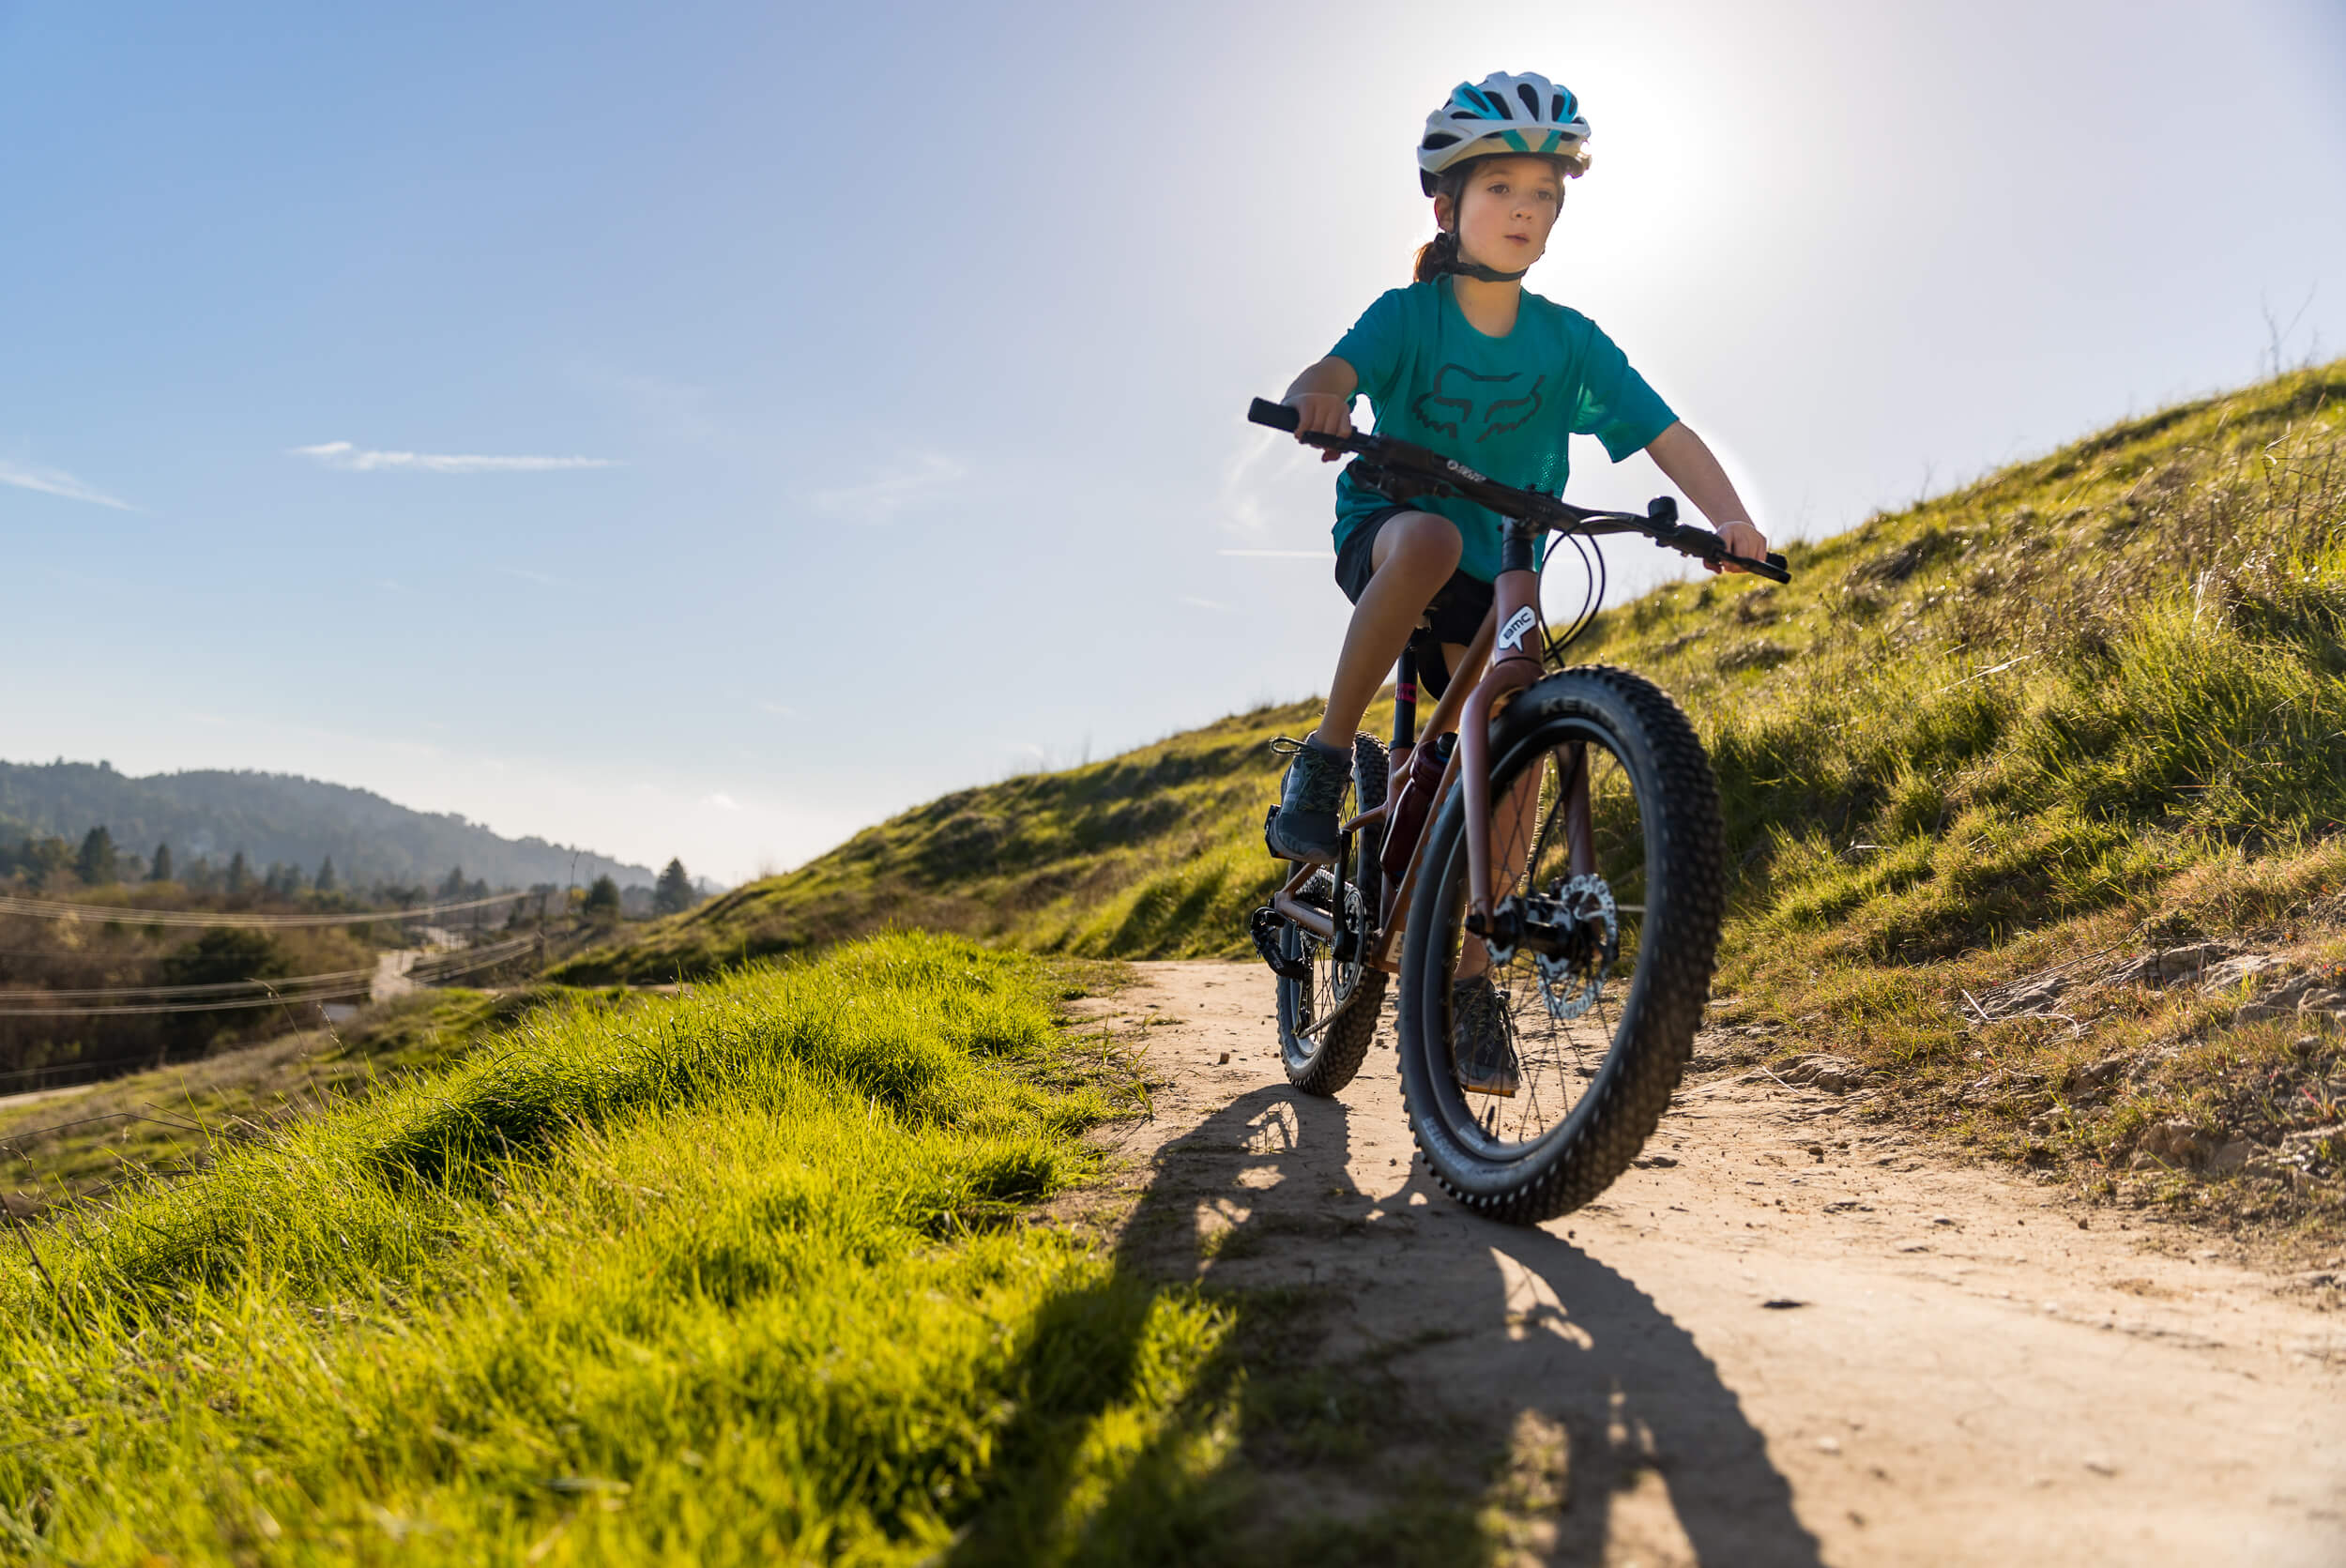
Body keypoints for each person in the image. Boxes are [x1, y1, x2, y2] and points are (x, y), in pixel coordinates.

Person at [1264, 70, 1768, 871]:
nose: (1526, 207)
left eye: (1544, 192)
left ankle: (1472, 980)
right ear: (1446, 209)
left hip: (1501, 564)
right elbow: (1326, 377)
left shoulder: (1571, 341)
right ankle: (1324, 760)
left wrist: (1730, 518)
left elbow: (1665, 433)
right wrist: (1317, 403)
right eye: (1500, 186)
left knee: (1518, 718)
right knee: (1427, 538)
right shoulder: (1409, 316)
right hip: (1391, 531)